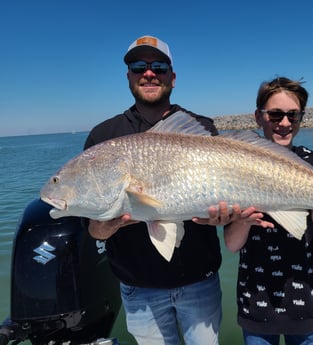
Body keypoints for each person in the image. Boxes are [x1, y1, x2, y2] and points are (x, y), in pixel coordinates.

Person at [84, 35, 230, 345]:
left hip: (200, 283)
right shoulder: (103, 136)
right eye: (139, 66)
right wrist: (105, 226)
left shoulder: (201, 128)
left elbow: (227, 195)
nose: (149, 73)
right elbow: (93, 231)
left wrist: (227, 217)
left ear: (172, 78)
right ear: (129, 77)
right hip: (139, 290)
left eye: (159, 67)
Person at [223, 77, 313, 345]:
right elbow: (232, 245)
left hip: (310, 302)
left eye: (293, 115)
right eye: (275, 115)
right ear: (258, 117)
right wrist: (243, 221)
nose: (285, 123)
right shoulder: (235, 166)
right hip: (256, 302)